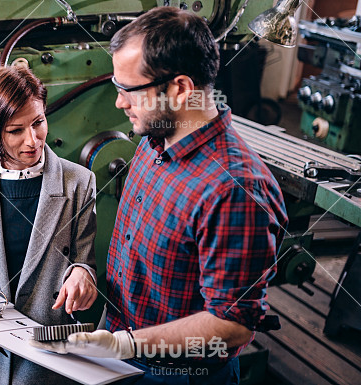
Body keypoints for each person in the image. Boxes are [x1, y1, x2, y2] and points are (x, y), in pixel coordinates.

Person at [31, 7, 288, 385]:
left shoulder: (235, 189)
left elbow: (233, 323)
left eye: (128, 90)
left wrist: (126, 344)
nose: (119, 103)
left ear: (180, 88)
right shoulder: (155, 142)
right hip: (124, 353)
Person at [0, 66, 99, 385]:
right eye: (16, 130)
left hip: (46, 357)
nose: (32, 140)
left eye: (38, 122)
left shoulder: (79, 183)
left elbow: (84, 261)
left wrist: (84, 274)